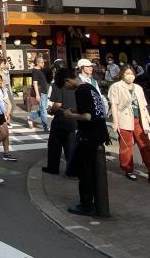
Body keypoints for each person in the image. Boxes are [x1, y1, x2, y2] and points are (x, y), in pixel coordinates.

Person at [64, 69, 110, 216]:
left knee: (85, 172)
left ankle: (86, 205)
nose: (66, 88)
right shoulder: (90, 87)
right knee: (94, 171)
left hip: (89, 136)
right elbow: (93, 110)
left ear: (68, 80)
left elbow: (87, 116)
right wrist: (76, 111)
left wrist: (71, 115)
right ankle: (98, 203)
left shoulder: (80, 90)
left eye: (65, 85)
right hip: (100, 133)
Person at [108, 66, 150, 183]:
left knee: (145, 145)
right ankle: (128, 169)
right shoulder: (116, 86)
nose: (130, 76)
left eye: (132, 74)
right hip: (124, 119)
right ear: (122, 74)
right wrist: (116, 122)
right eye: (127, 73)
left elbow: (143, 106)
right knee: (126, 146)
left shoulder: (138, 88)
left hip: (140, 120)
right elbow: (114, 105)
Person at [43, 68, 77, 175]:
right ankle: (71, 170)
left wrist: (51, 111)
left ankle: (53, 168)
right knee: (70, 146)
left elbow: (58, 104)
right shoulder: (77, 86)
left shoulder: (58, 84)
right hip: (74, 118)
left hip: (61, 119)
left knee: (55, 145)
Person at [28, 56, 50, 131]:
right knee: (43, 110)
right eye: (41, 62)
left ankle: (31, 117)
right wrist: (37, 94)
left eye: (43, 62)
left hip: (44, 91)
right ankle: (46, 126)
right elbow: (35, 83)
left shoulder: (41, 70)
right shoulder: (35, 71)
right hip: (40, 92)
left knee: (43, 109)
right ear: (37, 63)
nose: (43, 63)